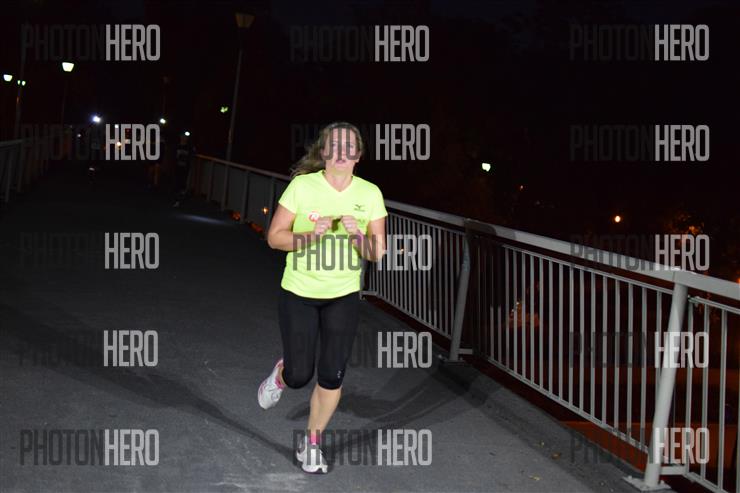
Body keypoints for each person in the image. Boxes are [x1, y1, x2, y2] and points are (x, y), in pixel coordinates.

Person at [258, 122, 387, 473]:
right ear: (325, 152)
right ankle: (281, 375)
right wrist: (310, 236)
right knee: (301, 374)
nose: (342, 153)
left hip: (342, 295)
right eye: (335, 146)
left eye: (349, 147)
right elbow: (274, 237)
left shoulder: (370, 194)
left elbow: (377, 252)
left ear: (358, 156)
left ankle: (312, 443)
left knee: (332, 375)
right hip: (299, 291)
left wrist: (358, 235)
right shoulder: (303, 187)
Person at [173, 134, 194, 207]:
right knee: (177, 183)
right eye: (183, 137)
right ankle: (177, 199)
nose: (184, 138)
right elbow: (173, 156)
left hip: (185, 167)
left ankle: (180, 197)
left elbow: (191, 156)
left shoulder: (189, 147)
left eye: (185, 137)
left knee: (183, 182)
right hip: (177, 167)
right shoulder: (177, 146)